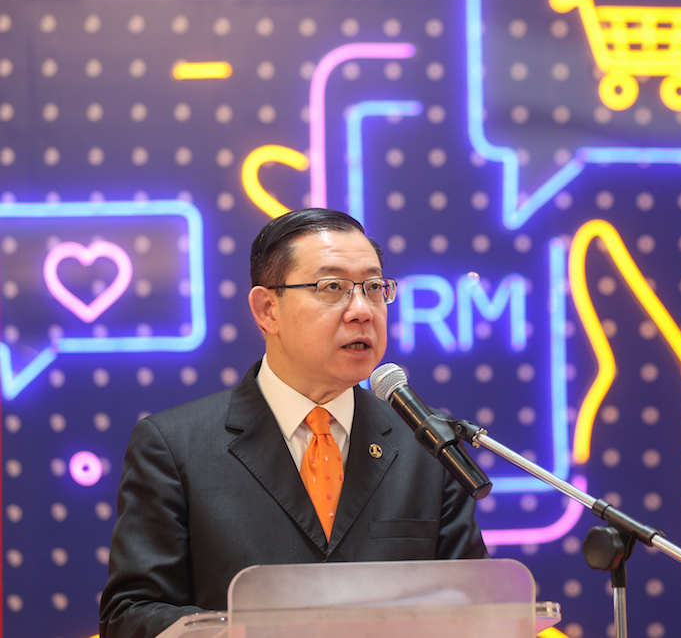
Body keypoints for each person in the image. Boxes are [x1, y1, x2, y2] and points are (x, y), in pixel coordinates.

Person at [99, 209, 487, 638]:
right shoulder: (175, 447)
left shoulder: (428, 443)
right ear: (267, 310)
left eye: (374, 287)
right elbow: (131, 614)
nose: (362, 310)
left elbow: (477, 604)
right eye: (332, 287)